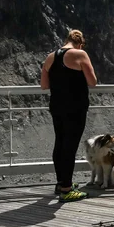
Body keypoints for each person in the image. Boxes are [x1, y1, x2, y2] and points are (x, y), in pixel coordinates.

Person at [41, 30, 97, 202]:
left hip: (56, 107)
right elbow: (92, 82)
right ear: (80, 43)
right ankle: (67, 189)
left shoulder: (51, 57)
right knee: (69, 147)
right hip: (75, 108)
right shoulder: (80, 54)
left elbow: (44, 85)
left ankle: (60, 183)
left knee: (60, 143)